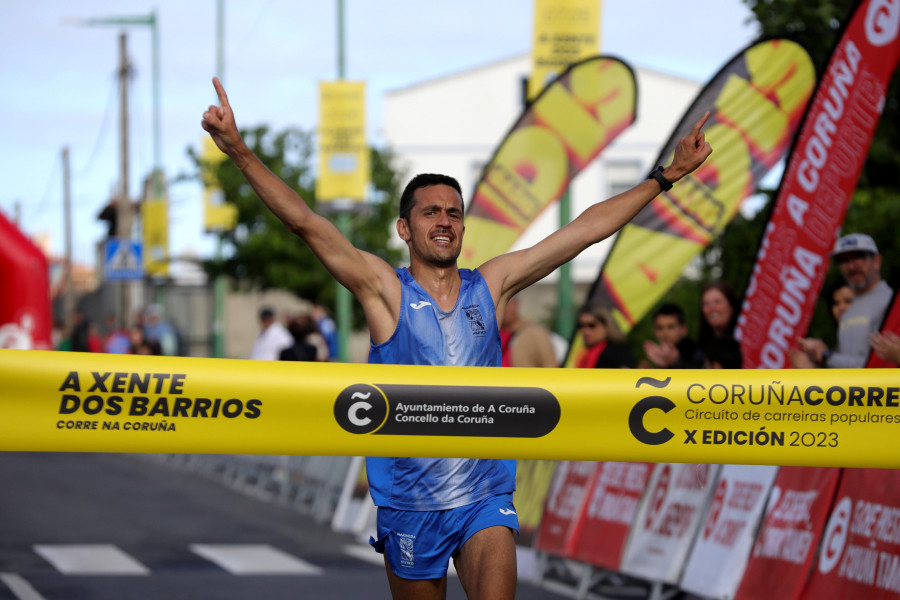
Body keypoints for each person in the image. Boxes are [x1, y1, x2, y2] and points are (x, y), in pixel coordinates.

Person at [202, 76, 711, 600]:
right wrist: (239, 152)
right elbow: (308, 224)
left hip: (484, 494)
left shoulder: (492, 284)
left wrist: (668, 175)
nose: (445, 221)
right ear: (405, 228)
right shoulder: (384, 291)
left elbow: (583, 231)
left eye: (454, 213)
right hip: (409, 500)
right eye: (431, 212)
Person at [796, 233, 893, 368]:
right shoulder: (850, 305)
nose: (851, 266)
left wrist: (827, 355)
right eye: (843, 260)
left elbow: (878, 365)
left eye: (858, 257)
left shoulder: (889, 303)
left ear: (876, 261)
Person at [789, 280, 853, 368]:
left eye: (848, 301)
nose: (841, 308)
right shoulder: (838, 351)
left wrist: (825, 355)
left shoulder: (876, 336)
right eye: (836, 303)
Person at [499, 295, 558, 368]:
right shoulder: (487, 335)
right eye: (498, 304)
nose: (504, 308)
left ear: (516, 304)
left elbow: (551, 366)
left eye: (507, 303)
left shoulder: (536, 333)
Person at [642, 302, 705, 369]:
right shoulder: (662, 354)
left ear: (684, 329)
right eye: (660, 328)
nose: (665, 333)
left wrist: (676, 362)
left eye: (671, 327)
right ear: (654, 331)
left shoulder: (693, 351)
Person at [575, 304, 637, 369]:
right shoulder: (584, 354)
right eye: (581, 326)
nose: (585, 331)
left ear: (606, 325)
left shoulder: (617, 353)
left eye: (591, 325)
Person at [698, 280, 742, 368]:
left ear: (731, 306)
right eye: (706, 304)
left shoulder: (746, 343)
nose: (712, 308)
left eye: (718, 302)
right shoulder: (699, 351)